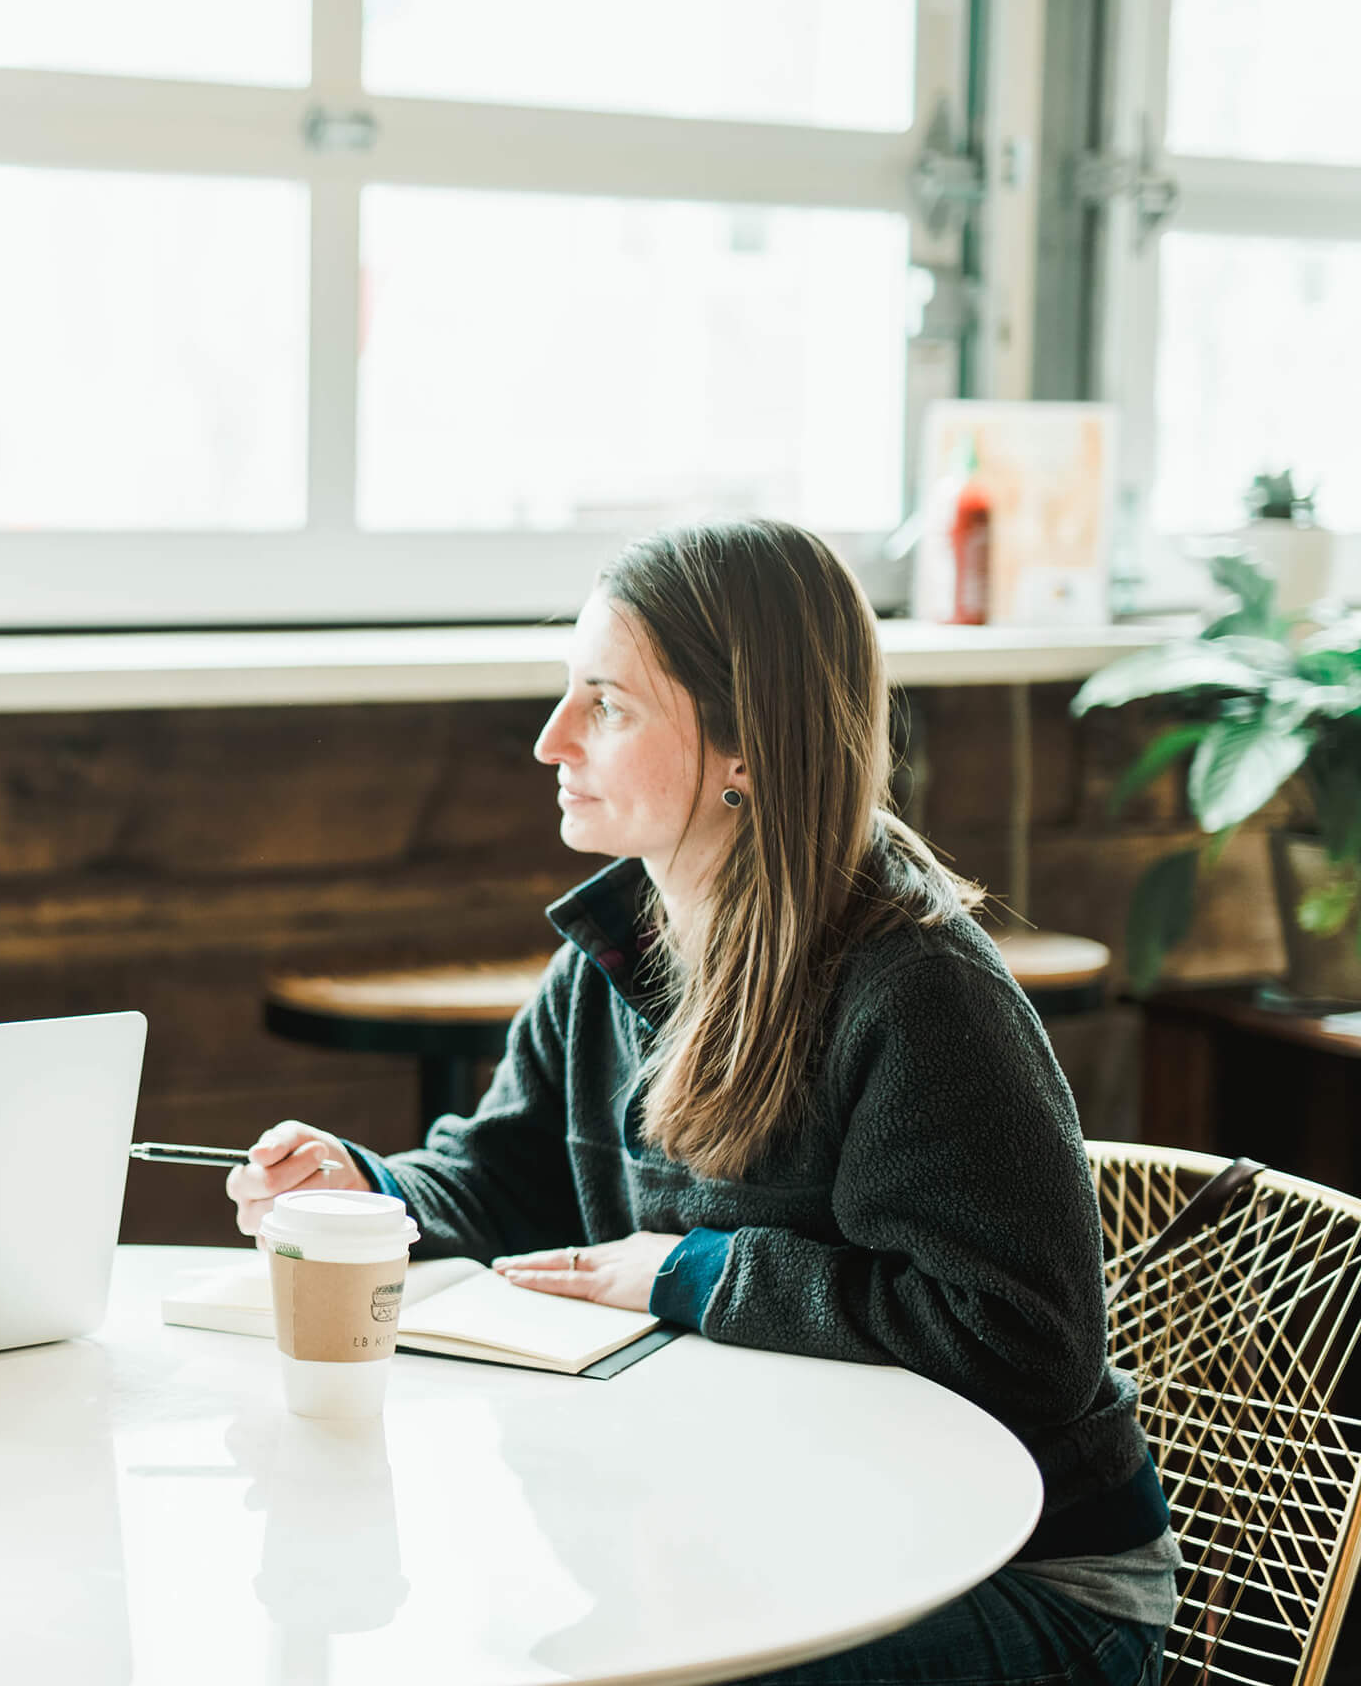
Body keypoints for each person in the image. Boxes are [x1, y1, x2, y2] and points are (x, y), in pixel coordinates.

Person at [224, 519, 1178, 1685]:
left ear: (747, 750)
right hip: (772, 1535)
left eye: (606, 705)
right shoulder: (616, 946)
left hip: (1025, 1576)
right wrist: (363, 1189)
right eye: (564, 693)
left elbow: (1022, 1339)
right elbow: (506, 1178)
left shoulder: (919, 991)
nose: (549, 741)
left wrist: (697, 1270)